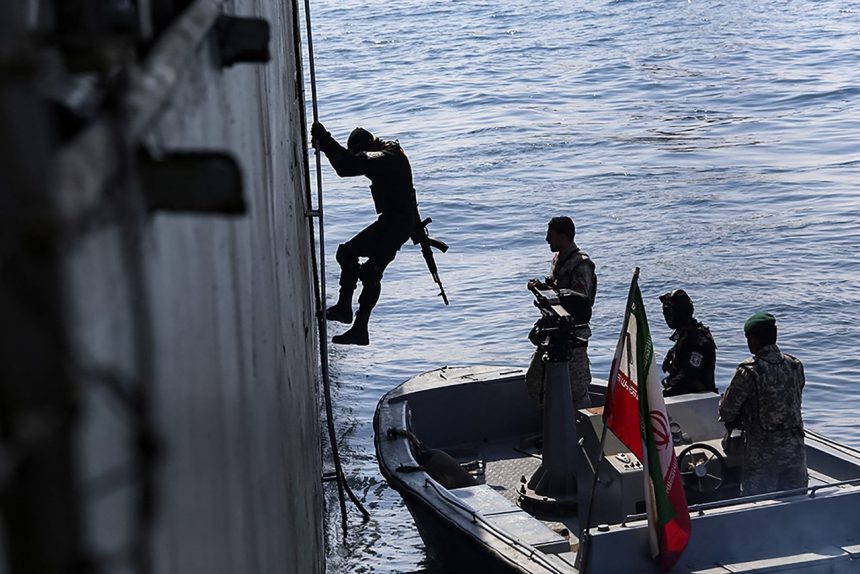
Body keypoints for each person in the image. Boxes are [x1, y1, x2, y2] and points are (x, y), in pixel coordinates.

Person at [311, 122, 419, 345]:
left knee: (347, 253)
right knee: (370, 272)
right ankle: (358, 328)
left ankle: (346, 312)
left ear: (367, 146)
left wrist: (326, 140)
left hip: (395, 224)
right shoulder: (392, 152)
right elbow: (408, 190)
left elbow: (346, 167)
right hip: (398, 222)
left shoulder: (384, 156)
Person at [718, 311, 807, 496]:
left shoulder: (748, 371)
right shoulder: (795, 365)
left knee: (757, 510)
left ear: (755, 339)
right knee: (798, 508)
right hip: (795, 453)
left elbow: (727, 412)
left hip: (763, 457)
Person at [527, 216, 597, 408]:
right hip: (553, 331)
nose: (547, 239)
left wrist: (556, 294)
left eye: (551, 235)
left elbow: (580, 302)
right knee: (536, 383)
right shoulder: (558, 259)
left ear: (562, 236)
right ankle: (551, 431)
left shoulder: (581, 264)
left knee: (577, 392)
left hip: (573, 337)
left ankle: (583, 433)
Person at [659, 289, 717, 397]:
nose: (666, 317)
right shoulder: (683, 335)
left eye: (670, 312)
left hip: (699, 399)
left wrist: (665, 392)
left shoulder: (699, 340)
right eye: (665, 313)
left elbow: (688, 375)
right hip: (683, 395)